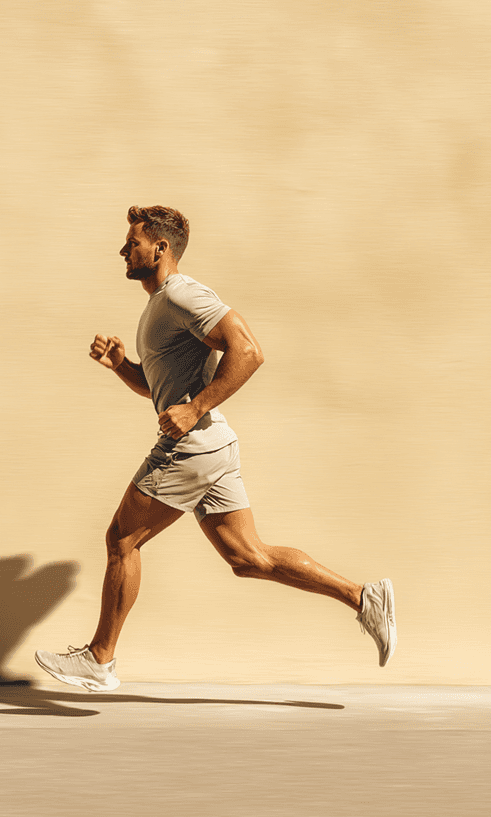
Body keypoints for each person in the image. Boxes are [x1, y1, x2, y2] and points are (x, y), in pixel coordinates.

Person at [35, 205, 396, 691]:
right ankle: (364, 597)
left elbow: (248, 351)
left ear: (160, 249)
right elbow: (161, 389)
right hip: (214, 445)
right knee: (250, 558)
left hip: (191, 447)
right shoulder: (160, 304)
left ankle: (100, 659)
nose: (124, 249)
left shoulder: (183, 293)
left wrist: (194, 408)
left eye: (133, 242)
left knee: (123, 540)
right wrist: (123, 365)